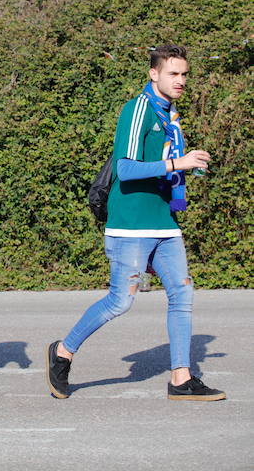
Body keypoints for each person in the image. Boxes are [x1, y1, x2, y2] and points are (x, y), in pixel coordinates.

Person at [46, 44, 225, 402]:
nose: (180, 81)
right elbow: (125, 169)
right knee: (120, 301)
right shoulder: (138, 109)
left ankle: (180, 378)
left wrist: (187, 164)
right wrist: (179, 164)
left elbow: (162, 163)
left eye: (184, 74)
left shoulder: (168, 114)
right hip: (129, 224)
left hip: (163, 222)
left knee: (182, 294)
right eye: (173, 74)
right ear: (153, 74)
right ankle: (63, 351)